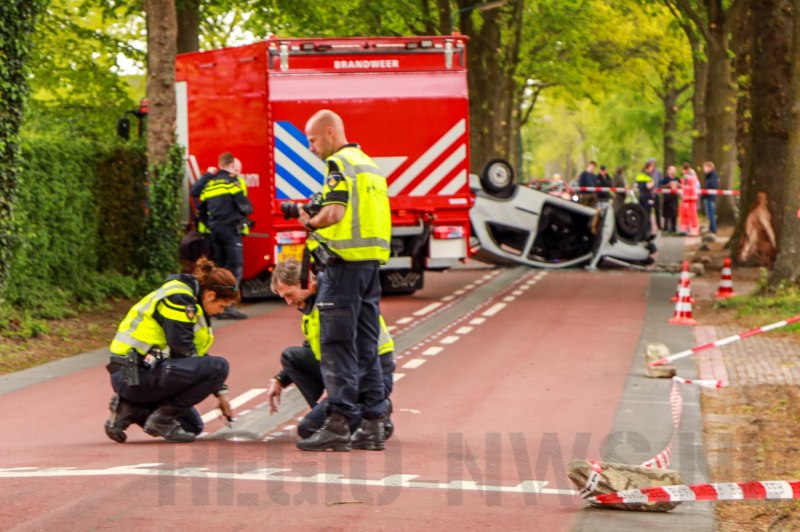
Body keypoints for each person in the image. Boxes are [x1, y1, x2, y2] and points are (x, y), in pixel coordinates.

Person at [289, 109, 392, 452]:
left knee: (336, 347)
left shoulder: (339, 165)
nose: (311, 147)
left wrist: (309, 223)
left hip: (342, 267)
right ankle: (374, 423)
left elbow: (334, 213)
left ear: (330, 132)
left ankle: (339, 422)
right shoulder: (370, 166)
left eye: (313, 139)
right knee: (367, 345)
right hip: (369, 269)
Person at [104, 258, 237, 444]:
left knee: (192, 427)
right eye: (222, 306)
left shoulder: (190, 300)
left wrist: (221, 391)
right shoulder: (180, 298)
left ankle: (130, 409)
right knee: (219, 366)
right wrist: (217, 381)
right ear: (210, 295)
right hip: (134, 373)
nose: (220, 311)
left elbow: (193, 354)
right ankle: (161, 419)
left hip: (143, 371)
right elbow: (181, 349)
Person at [266, 259, 395, 442]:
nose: (288, 302)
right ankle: (333, 417)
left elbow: (357, 352)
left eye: (289, 294)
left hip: (371, 376)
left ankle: (373, 414)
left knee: (308, 429)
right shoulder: (313, 305)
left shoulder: (334, 303)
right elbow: (312, 347)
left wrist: (338, 383)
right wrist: (279, 379)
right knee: (291, 357)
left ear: (306, 283)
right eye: (283, 297)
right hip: (347, 372)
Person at [196, 153, 253, 320]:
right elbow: (245, 207)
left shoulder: (210, 184)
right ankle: (229, 305)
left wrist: (211, 225)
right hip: (230, 231)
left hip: (214, 232)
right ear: (231, 166)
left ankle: (218, 304)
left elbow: (201, 210)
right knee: (235, 268)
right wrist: (246, 212)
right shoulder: (233, 182)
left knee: (219, 269)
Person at [678, 162, 700, 236]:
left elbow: (686, 189)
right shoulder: (692, 176)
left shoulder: (686, 177)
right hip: (691, 198)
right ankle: (686, 229)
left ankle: (692, 231)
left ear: (683, 169)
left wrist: (685, 198)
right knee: (689, 214)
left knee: (690, 215)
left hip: (688, 199)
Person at [635, 160, 656, 235]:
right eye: (651, 167)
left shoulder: (639, 176)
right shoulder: (648, 176)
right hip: (647, 196)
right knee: (647, 213)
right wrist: (653, 182)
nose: (652, 169)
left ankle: (641, 230)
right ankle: (648, 231)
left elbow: (635, 185)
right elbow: (648, 186)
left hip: (641, 195)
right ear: (648, 168)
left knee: (641, 213)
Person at [702, 161, 719, 235]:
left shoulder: (713, 175)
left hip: (710, 196)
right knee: (709, 213)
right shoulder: (708, 176)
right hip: (707, 196)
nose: (704, 169)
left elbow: (713, 185)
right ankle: (711, 228)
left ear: (710, 167)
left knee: (711, 213)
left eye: (705, 167)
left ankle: (713, 229)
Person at [661, 165, 680, 234]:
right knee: (666, 214)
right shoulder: (665, 179)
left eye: (674, 169)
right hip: (667, 199)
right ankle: (665, 229)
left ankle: (674, 229)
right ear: (668, 171)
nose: (673, 171)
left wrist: (678, 185)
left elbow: (681, 186)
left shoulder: (677, 179)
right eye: (671, 169)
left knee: (674, 214)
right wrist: (668, 185)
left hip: (674, 199)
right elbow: (661, 186)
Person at [648, 158, 664, 230]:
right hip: (648, 194)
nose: (652, 164)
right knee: (648, 210)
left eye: (653, 163)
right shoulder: (646, 173)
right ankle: (648, 225)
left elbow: (661, 181)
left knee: (657, 210)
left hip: (656, 194)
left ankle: (659, 225)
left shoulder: (658, 172)